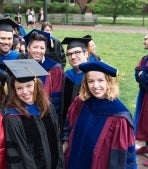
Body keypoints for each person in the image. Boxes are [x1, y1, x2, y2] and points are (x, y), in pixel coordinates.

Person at [63, 61, 137, 169]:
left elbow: (122, 157)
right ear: (86, 83)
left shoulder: (119, 116)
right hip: (75, 161)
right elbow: (68, 126)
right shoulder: (81, 103)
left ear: (109, 82)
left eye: (100, 80)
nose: (95, 86)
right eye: (91, 81)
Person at [3, 59, 64, 169]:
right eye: (19, 88)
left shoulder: (48, 108)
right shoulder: (13, 117)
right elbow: (19, 154)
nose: (25, 92)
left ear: (36, 85)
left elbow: (57, 141)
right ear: (14, 91)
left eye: (29, 86)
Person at [22, 29, 64, 117]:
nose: (38, 51)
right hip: (24, 112)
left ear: (45, 50)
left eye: (42, 48)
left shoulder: (54, 68)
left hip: (46, 113)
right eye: (35, 47)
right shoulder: (21, 66)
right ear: (28, 48)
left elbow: (56, 97)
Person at [60, 37, 91, 127]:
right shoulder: (66, 76)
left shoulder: (94, 75)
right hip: (66, 125)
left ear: (86, 53)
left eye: (77, 52)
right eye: (69, 54)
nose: (73, 57)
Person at [133, 32, 148, 166]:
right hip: (144, 96)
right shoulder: (145, 58)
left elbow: (141, 76)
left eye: (146, 38)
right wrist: (141, 75)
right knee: (144, 122)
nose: (144, 41)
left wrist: (142, 75)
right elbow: (137, 72)